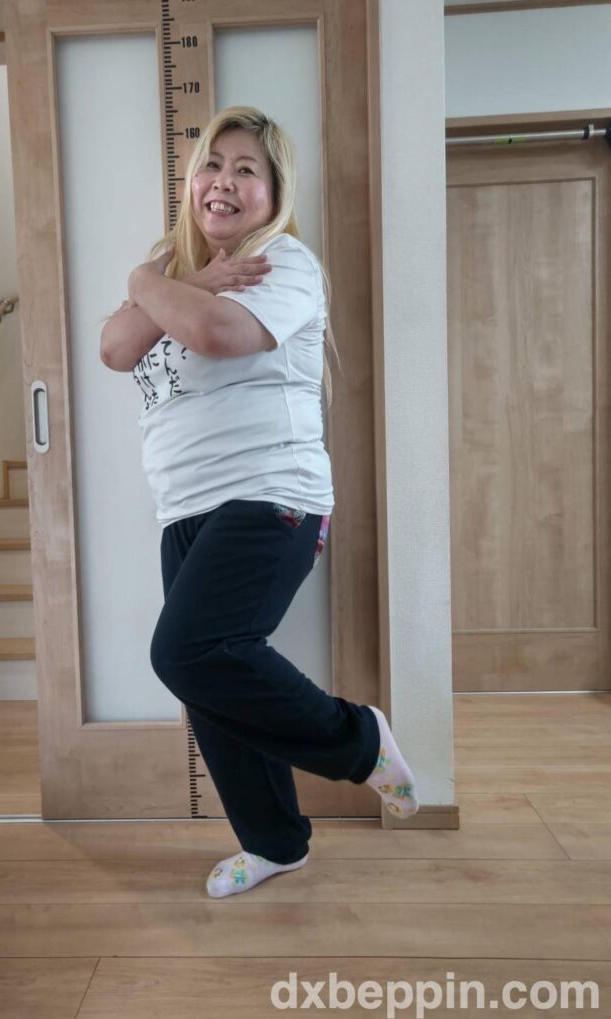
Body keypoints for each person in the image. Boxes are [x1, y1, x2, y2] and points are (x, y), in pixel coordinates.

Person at [100, 106, 418, 899]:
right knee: (210, 676)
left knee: (186, 653)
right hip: (184, 508)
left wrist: (145, 283)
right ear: (192, 182)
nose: (225, 181)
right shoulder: (178, 270)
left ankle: (359, 740)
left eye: (247, 169)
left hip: (271, 497)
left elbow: (214, 334)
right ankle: (276, 842)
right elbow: (114, 347)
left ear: (274, 193)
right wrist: (173, 279)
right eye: (213, 164)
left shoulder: (283, 263)